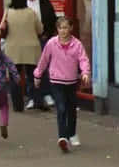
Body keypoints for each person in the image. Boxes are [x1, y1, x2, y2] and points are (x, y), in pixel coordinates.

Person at [35, 16, 90, 152]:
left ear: (70, 28)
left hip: (71, 81)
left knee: (71, 109)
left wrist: (85, 73)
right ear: (57, 29)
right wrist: (38, 74)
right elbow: (44, 60)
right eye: (60, 28)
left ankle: (72, 133)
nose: (63, 31)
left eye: (65, 27)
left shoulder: (76, 44)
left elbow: (83, 59)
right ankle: (63, 137)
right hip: (56, 81)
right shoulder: (51, 44)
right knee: (61, 108)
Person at [0, 0, 43, 113]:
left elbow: (0, 29)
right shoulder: (31, 13)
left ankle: (18, 106)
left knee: (15, 78)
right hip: (31, 49)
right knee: (33, 76)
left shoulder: (8, 13)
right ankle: (37, 101)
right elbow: (40, 30)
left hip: (13, 50)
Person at [20, 0, 57, 110]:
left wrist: (47, 34)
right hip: (26, 40)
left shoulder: (44, 3)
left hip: (41, 38)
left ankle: (47, 93)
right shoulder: (20, 4)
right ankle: (32, 97)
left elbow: (52, 19)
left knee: (44, 67)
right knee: (30, 69)